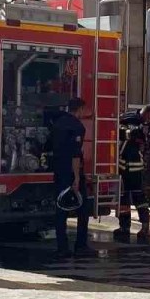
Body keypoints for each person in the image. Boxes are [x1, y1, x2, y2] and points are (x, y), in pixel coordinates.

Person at [49, 97, 93, 258]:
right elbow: (75, 155)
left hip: (58, 170)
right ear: (80, 109)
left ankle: (62, 247)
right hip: (72, 172)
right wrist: (76, 178)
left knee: (60, 210)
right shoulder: (77, 126)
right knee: (83, 209)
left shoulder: (57, 123)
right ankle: (80, 245)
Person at [114, 113, 150, 244]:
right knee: (138, 199)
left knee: (125, 199)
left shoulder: (125, 130)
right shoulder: (142, 131)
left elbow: (123, 133)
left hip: (125, 170)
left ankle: (125, 228)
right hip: (137, 169)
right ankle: (144, 228)